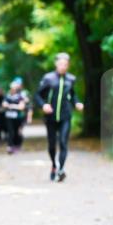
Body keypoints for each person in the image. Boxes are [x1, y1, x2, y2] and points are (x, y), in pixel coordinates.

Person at [35, 53, 84, 181]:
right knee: (52, 145)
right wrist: (43, 105)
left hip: (65, 116)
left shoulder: (71, 79)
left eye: (65, 64)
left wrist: (77, 103)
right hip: (50, 117)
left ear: (68, 65)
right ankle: (54, 165)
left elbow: (73, 95)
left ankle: (61, 169)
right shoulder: (48, 78)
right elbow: (38, 95)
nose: (63, 66)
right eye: (61, 64)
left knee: (63, 142)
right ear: (56, 64)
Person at [2, 77, 31, 153]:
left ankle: (17, 145)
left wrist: (11, 106)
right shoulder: (7, 95)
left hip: (19, 116)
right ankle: (10, 146)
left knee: (18, 131)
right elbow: (4, 104)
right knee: (10, 131)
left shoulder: (22, 94)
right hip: (9, 116)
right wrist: (13, 106)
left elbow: (23, 106)